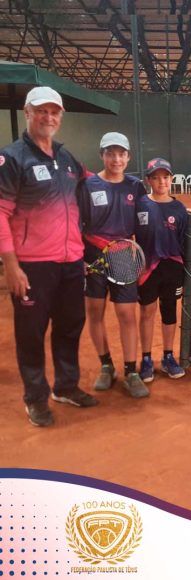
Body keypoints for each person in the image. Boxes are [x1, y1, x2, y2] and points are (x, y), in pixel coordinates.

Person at [0, 86, 98, 427]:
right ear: (27, 113)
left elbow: (91, 189)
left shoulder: (67, 159)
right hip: (32, 266)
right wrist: (11, 265)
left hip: (70, 262)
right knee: (31, 333)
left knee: (70, 326)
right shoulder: (12, 159)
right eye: (41, 110)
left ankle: (65, 387)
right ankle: (35, 397)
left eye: (54, 112)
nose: (49, 117)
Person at [78, 132, 150, 398]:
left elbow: (147, 218)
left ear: (128, 157)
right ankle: (106, 366)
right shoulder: (88, 185)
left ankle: (131, 372)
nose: (116, 159)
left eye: (121, 154)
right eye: (111, 153)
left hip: (123, 255)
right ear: (102, 155)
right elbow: (76, 223)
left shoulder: (136, 186)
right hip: (92, 255)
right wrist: (80, 258)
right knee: (94, 312)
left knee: (127, 314)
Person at [135, 158, 188, 382]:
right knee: (147, 312)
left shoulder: (180, 208)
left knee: (169, 311)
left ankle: (168, 356)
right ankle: (146, 359)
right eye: (155, 178)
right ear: (148, 180)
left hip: (173, 268)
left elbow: (184, 241)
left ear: (171, 179)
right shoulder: (140, 204)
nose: (161, 182)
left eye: (165, 177)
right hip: (147, 269)